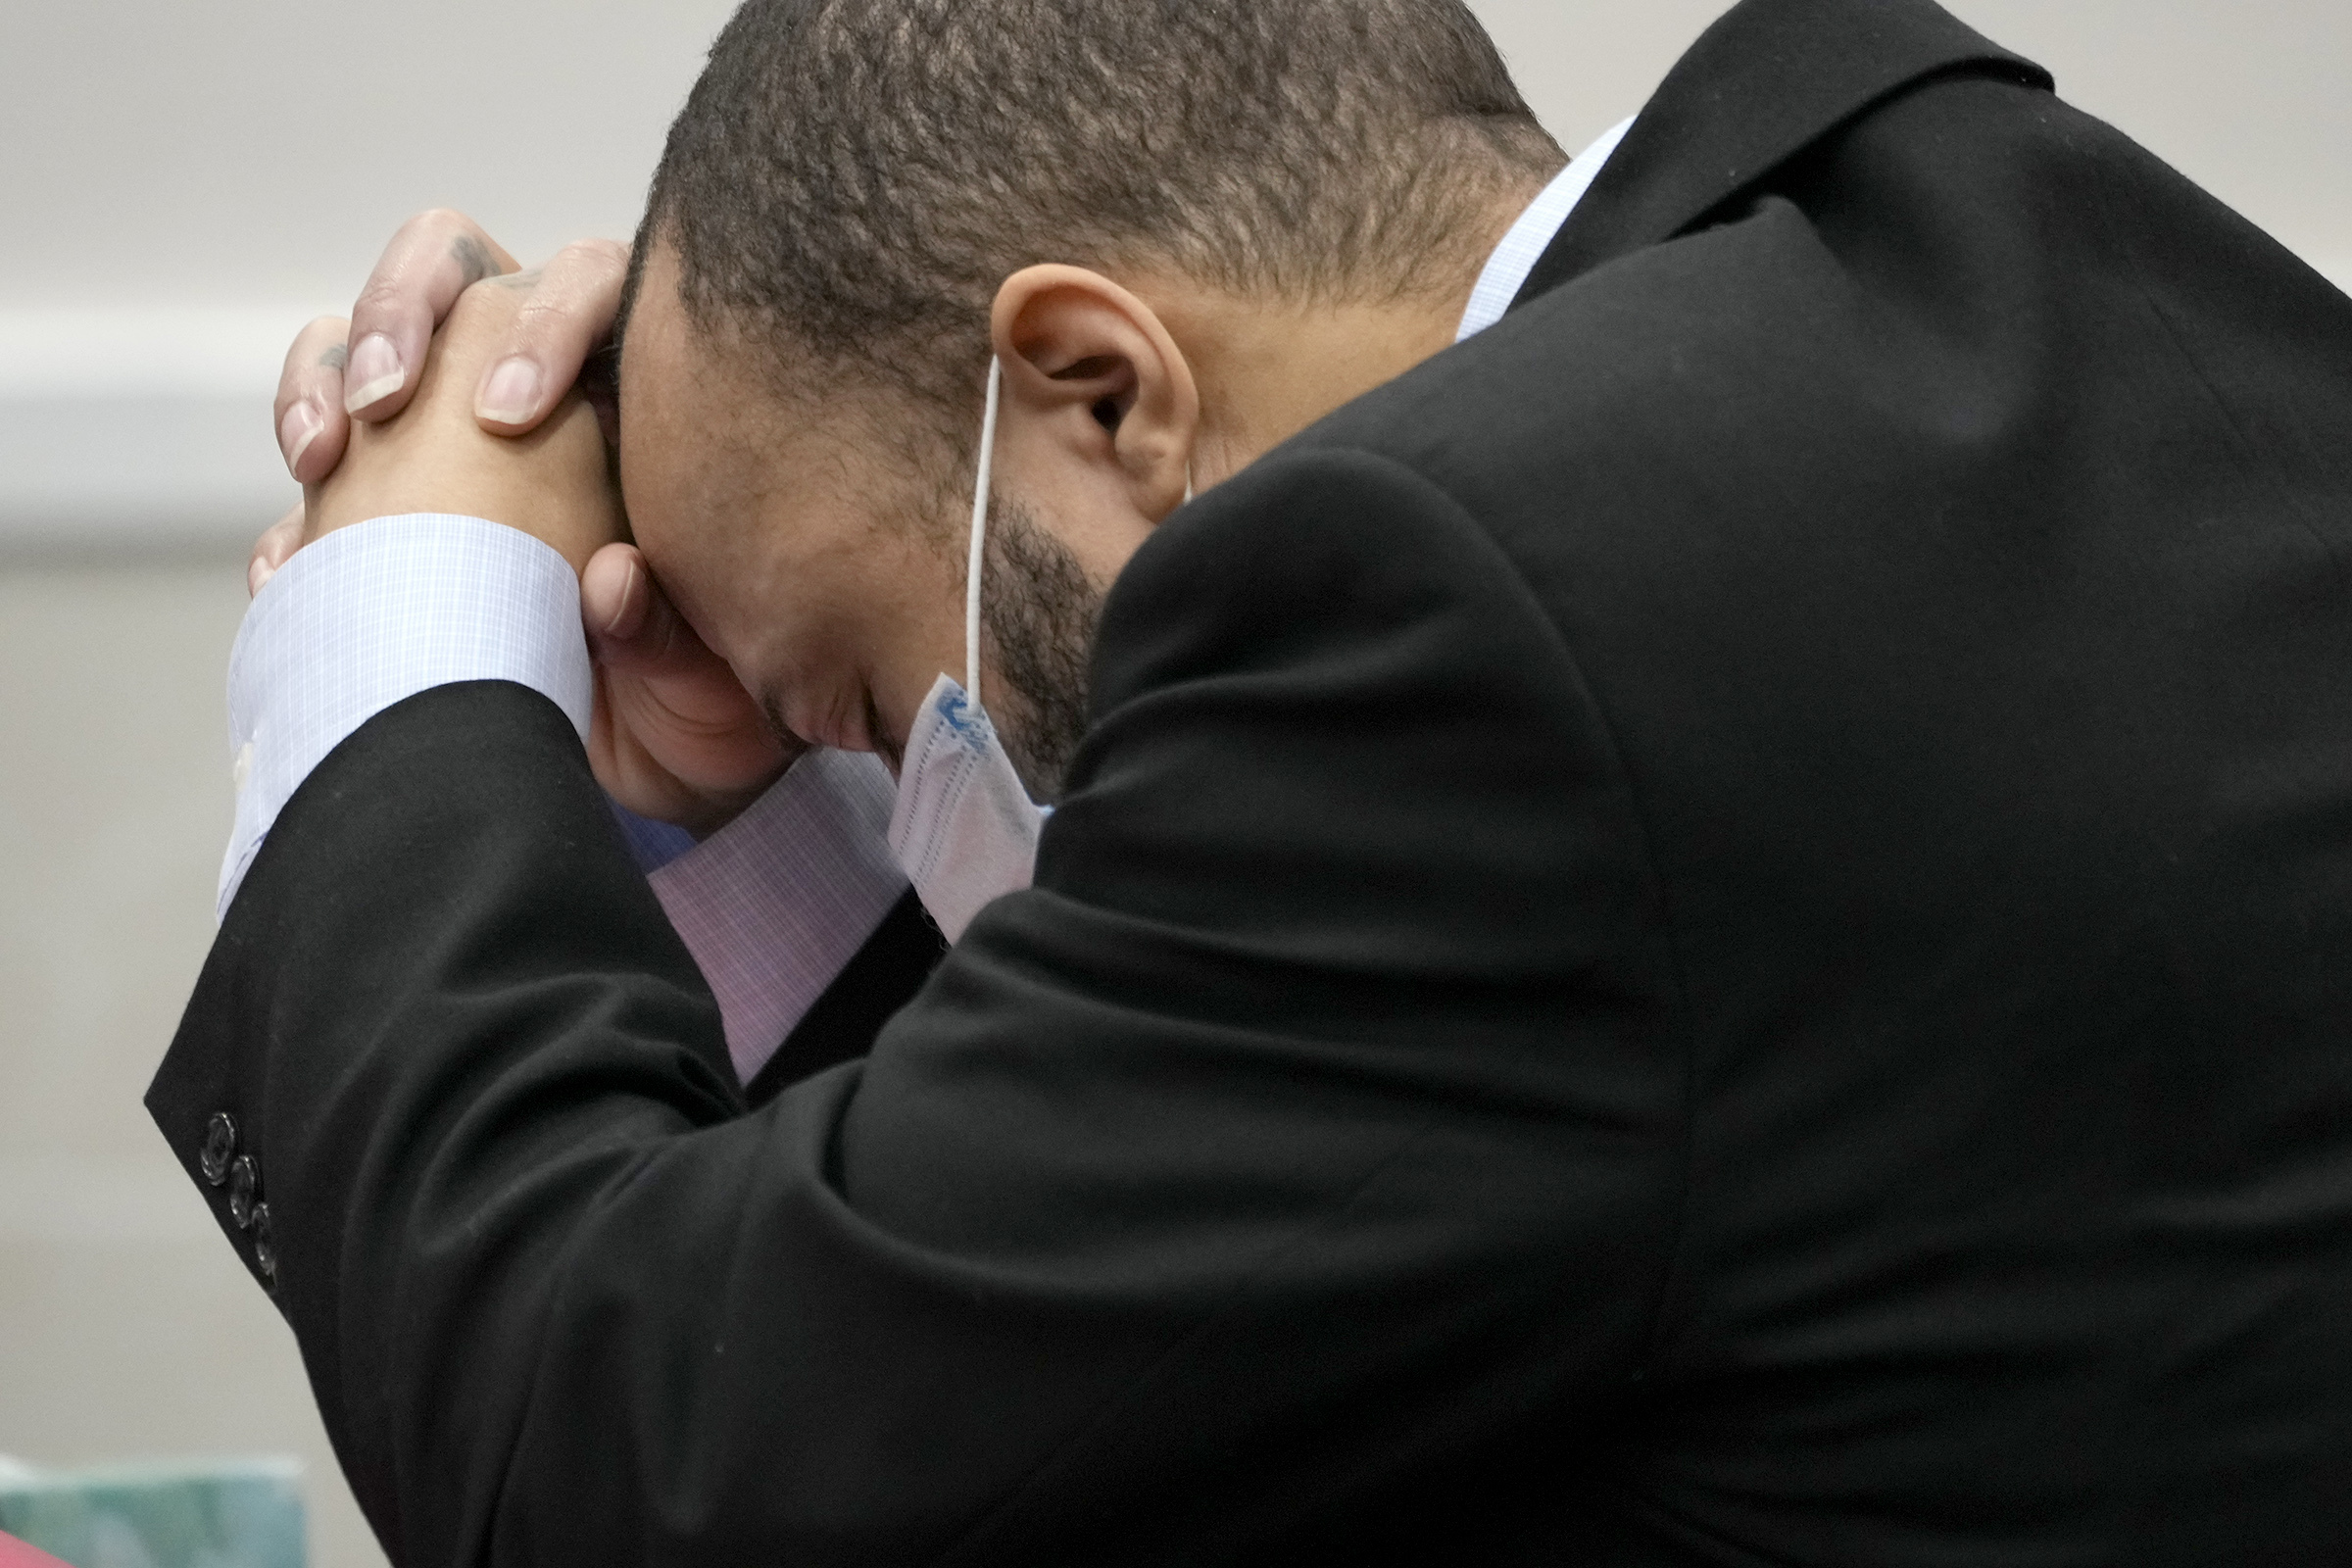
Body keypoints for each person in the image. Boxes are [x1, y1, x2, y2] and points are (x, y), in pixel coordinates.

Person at [152, 0, 2352, 1561]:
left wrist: (414, 637)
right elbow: (1231, 1234)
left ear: (1102, 388)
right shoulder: (1997, 246)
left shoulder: (1468, 610)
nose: (880, 758)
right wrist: (765, 816)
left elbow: (620, 1481)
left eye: (854, 697)